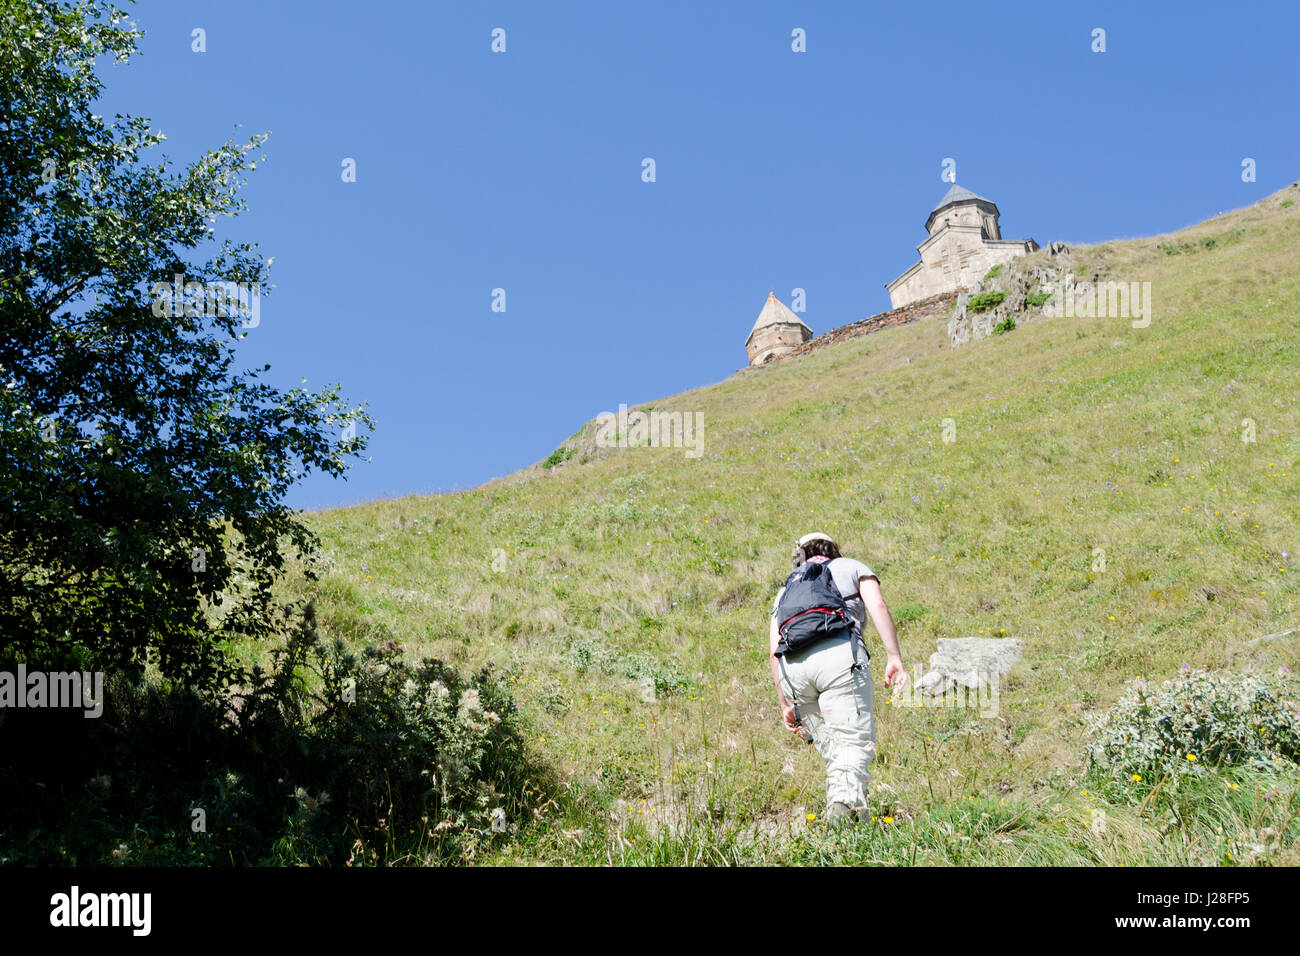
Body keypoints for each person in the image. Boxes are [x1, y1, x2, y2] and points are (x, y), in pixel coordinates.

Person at [768, 532, 906, 823]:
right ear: (833, 549)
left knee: (833, 749)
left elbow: (773, 649)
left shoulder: (787, 588)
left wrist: (785, 702)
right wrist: (894, 656)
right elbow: (877, 606)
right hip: (840, 658)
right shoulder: (851, 567)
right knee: (853, 743)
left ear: (800, 556)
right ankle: (843, 821)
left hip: (795, 670)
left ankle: (853, 819)